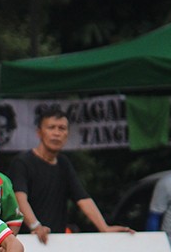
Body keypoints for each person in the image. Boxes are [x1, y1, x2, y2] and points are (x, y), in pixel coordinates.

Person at [8, 104, 132, 244]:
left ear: (67, 134)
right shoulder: (23, 162)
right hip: (27, 242)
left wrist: (104, 227)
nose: (57, 133)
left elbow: (82, 198)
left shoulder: (63, 163)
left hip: (56, 242)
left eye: (62, 128)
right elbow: (19, 199)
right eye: (51, 127)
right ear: (39, 132)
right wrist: (36, 226)